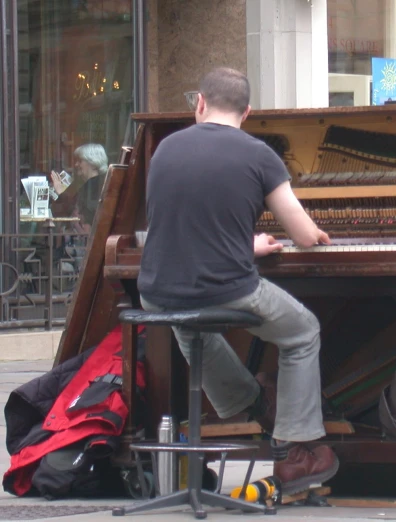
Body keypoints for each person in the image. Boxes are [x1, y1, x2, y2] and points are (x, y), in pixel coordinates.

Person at [137, 67, 338, 494]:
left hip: (157, 291)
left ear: (200, 104)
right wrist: (314, 236)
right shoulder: (259, 154)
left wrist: (244, 245)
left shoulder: (164, 149)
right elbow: (303, 235)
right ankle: (294, 450)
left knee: (192, 329)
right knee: (303, 331)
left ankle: (251, 403)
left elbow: (185, 226)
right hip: (227, 286)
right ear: (247, 112)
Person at [50, 143, 109, 234]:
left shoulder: (94, 187)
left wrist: (60, 193)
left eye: (80, 161)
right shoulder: (94, 184)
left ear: (93, 163)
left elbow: (75, 211)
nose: (76, 164)